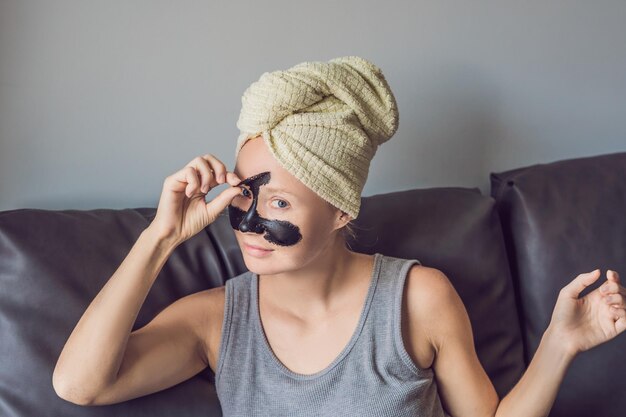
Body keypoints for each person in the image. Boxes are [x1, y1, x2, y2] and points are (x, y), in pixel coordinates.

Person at [53, 56, 626, 416]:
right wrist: (159, 237)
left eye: (279, 202)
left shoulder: (419, 297)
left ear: (341, 213)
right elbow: (79, 386)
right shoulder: (214, 320)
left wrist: (561, 343)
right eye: (246, 195)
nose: (250, 223)